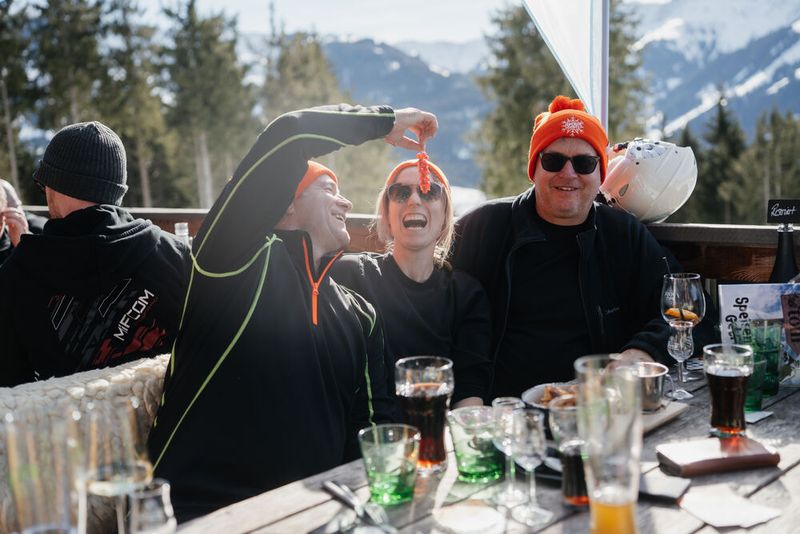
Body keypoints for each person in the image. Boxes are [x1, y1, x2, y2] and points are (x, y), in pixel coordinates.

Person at [147, 104, 437, 521]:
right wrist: (384, 122)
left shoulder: (361, 315)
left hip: (317, 515)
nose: (345, 201)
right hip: (200, 511)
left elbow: (374, 431)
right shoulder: (232, 263)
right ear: (283, 207)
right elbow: (287, 135)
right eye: (328, 189)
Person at [452, 95, 717, 398]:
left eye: (584, 163)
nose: (568, 173)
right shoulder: (485, 227)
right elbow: (427, 288)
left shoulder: (622, 235)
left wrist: (639, 355)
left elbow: (695, 314)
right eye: (553, 160)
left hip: (596, 408)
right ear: (533, 168)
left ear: (600, 173)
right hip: (505, 411)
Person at [0, 121, 190, 387]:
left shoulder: (15, 279)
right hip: (163, 423)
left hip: (74, 427)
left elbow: (9, 394)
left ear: (55, 186)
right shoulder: (174, 253)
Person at [331, 158, 492, 408]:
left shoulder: (465, 294)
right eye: (400, 192)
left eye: (429, 191)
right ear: (386, 214)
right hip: (372, 440)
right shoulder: (352, 276)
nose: (414, 200)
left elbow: (469, 388)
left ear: (445, 215)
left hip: (440, 437)